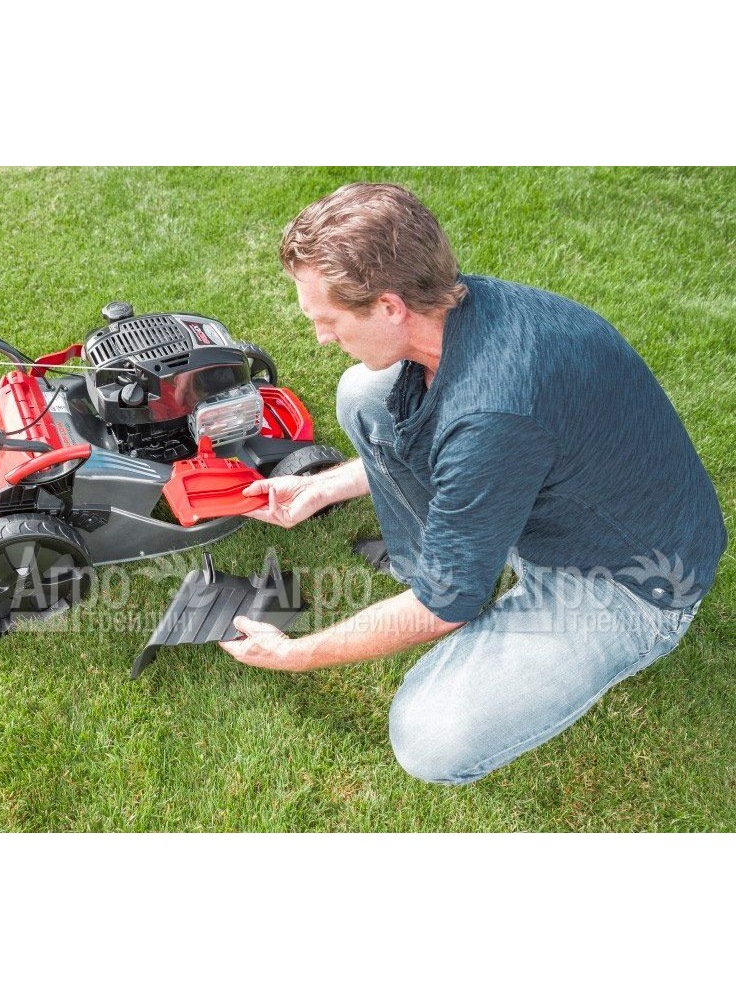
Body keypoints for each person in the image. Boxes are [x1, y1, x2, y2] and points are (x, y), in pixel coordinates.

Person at [218, 182, 727, 785]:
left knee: (430, 738)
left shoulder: (492, 414)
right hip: (551, 489)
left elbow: (443, 606)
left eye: (328, 320)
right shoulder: (467, 307)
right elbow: (468, 457)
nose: (322, 337)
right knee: (364, 393)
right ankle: (441, 562)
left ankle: (472, 577)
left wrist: (294, 653)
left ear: (390, 306)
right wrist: (323, 487)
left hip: (627, 580)